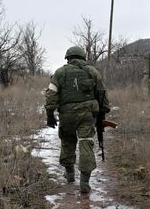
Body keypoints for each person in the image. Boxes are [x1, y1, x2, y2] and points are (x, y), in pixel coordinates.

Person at [45, 46, 110, 193]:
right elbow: (102, 94)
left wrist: (49, 113)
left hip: (67, 114)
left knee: (68, 141)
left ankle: (69, 175)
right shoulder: (93, 72)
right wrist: (103, 114)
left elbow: (51, 94)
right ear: (83, 57)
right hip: (87, 115)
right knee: (85, 142)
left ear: (68, 58)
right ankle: (85, 181)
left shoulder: (60, 72)